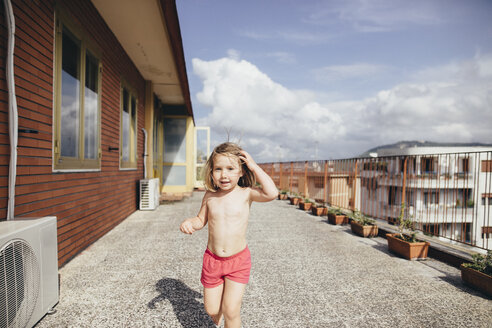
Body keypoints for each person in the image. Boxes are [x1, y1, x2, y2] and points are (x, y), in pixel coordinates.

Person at [180, 142, 278, 328]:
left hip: (238, 261)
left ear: (241, 171)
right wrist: (189, 223)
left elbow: (272, 193)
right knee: (211, 310)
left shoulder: (246, 194)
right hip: (212, 261)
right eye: (218, 169)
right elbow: (200, 220)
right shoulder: (210, 196)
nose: (224, 175)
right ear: (211, 172)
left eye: (230, 168)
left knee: (231, 310)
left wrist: (254, 166)